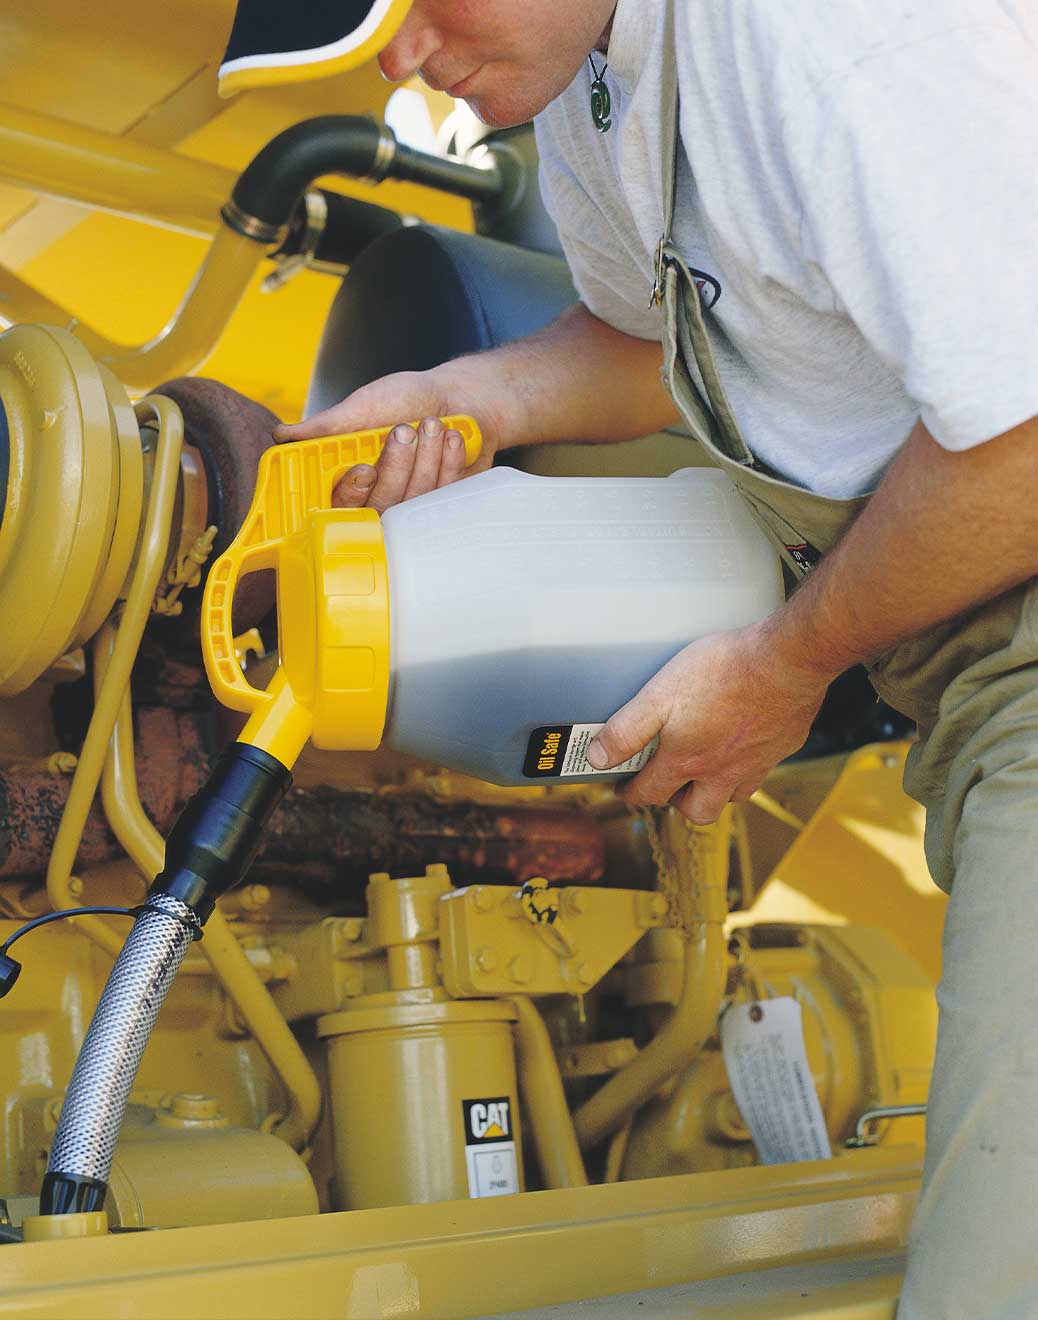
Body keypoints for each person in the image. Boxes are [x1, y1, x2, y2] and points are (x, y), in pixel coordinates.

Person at [220, 3, 1038, 1314]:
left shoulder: (841, 41)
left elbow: (1024, 433)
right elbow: (671, 339)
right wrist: (462, 400)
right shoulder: (601, 84)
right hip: (939, 612)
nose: (403, 55)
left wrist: (788, 661)